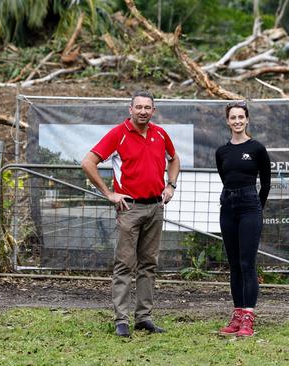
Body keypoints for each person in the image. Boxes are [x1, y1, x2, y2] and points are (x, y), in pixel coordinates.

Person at [81, 90, 180, 337]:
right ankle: (121, 319)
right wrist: (109, 193)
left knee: (149, 265)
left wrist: (171, 184)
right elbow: (88, 162)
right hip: (130, 208)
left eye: (148, 107)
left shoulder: (160, 134)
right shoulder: (118, 134)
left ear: (153, 110)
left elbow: (174, 159)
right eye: (139, 107)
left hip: (156, 207)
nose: (143, 111)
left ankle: (143, 317)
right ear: (130, 109)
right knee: (125, 265)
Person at [215, 101, 271, 337]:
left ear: (247, 120)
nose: (237, 121)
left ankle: (249, 317)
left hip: (250, 206)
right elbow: (224, 177)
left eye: (241, 117)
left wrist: (256, 207)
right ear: (227, 121)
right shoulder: (222, 152)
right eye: (233, 117)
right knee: (235, 265)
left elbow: (266, 184)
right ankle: (237, 315)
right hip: (228, 206)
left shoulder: (257, 148)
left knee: (247, 264)